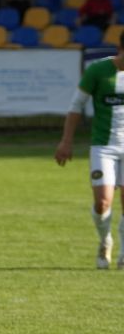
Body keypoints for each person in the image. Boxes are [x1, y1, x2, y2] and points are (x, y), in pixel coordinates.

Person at [55, 32, 124, 268]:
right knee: (102, 202)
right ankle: (105, 241)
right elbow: (76, 106)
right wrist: (66, 141)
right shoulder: (98, 70)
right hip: (104, 147)